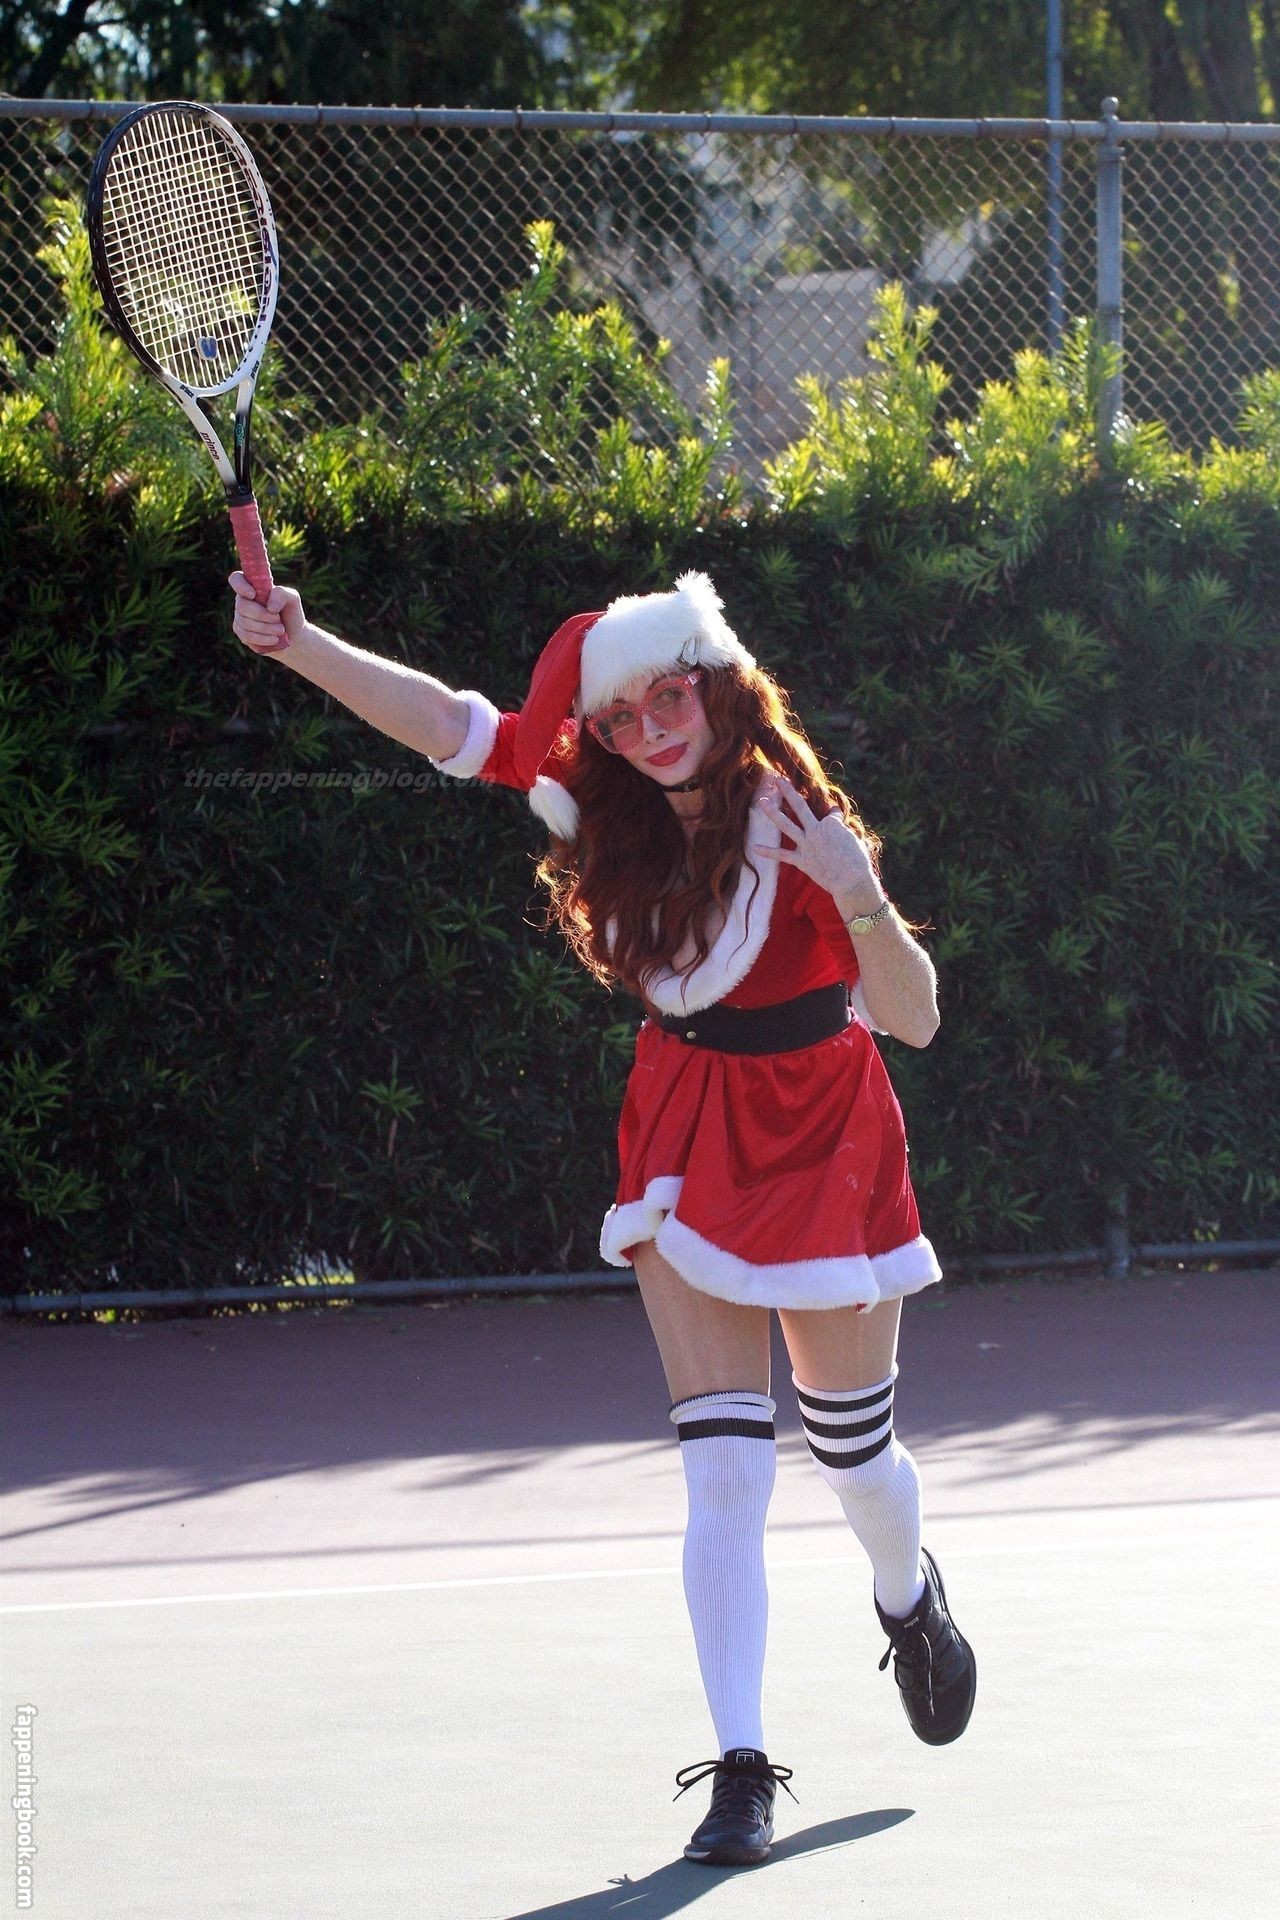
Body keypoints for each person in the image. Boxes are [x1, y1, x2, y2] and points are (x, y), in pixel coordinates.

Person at [229, 565, 977, 1868]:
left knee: (854, 1455)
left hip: (824, 1129)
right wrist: (299, 645)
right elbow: (453, 723)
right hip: (685, 1121)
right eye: (619, 718)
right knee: (726, 1467)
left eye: (667, 698)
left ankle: (908, 1598)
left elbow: (911, 1018)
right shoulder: (606, 803)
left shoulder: (799, 824)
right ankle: (742, 1766)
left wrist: (859, 891)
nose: (647, 731)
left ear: (717, 683)